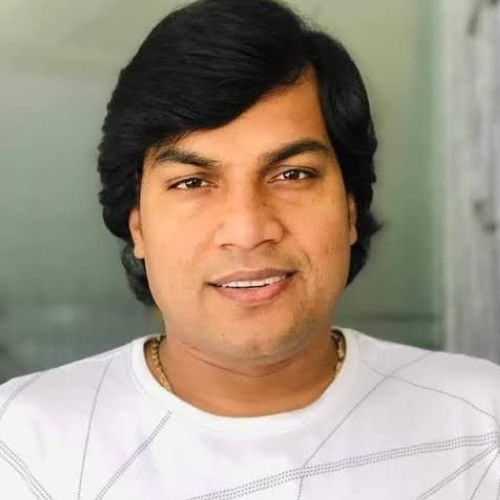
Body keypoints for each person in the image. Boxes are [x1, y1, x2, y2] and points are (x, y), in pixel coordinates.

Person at [1, 0, 499, 498]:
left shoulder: (482, 425)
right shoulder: (22, 446)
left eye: (292, 174)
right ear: (138, 226)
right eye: (193, 182)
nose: (247, 230)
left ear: (350, 209)